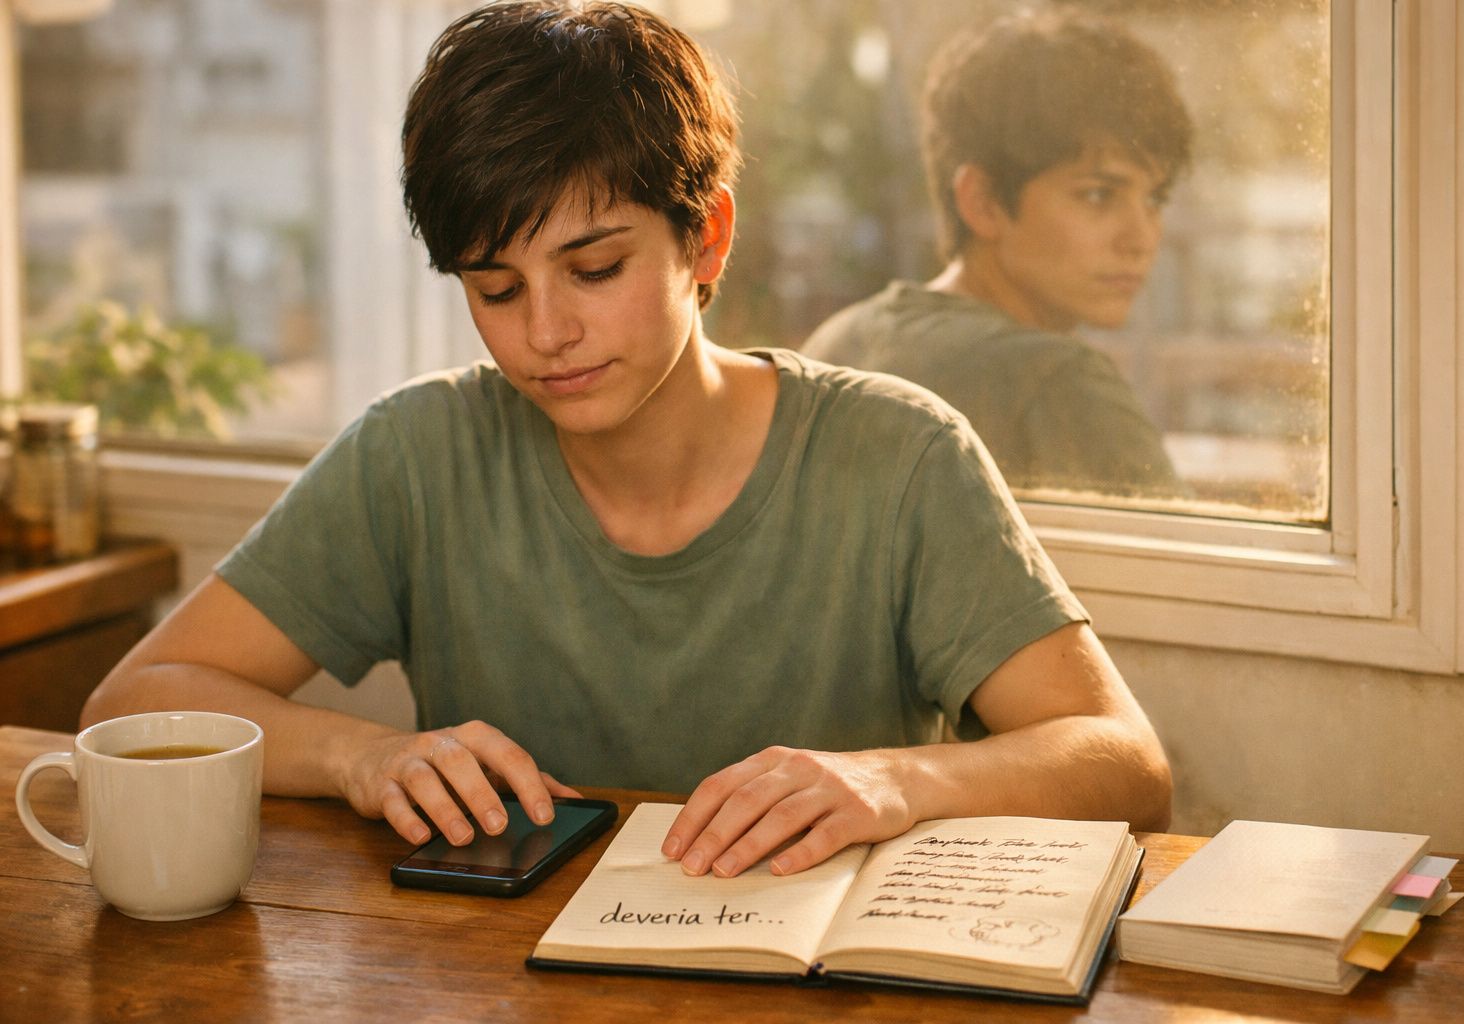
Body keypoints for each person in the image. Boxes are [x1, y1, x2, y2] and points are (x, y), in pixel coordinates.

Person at [81, 0, 1170, 880]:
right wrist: (360, 755)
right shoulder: (418, 452)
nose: (545, 333)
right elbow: (133, 700)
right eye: (496, 287)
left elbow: (1125, 765)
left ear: (708, 237)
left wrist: (893, 781)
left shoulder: (897, 454)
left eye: (594, 269)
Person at [802, 6, 1192, 498]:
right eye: (1098, 194)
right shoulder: (1059, 382)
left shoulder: (835, 346)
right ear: (982, 201)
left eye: (1154, 199)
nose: (1142, 238)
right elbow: (1196, 575)